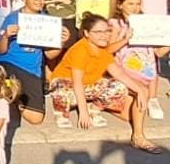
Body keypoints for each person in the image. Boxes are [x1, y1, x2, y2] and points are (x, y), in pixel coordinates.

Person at [49, 15, 160, 153]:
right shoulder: (80, 49)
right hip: (68, 83)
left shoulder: (103, 51)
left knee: (120, 86)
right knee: (62, 91)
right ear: (86, 33)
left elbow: (118, 74)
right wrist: (82, 113)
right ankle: (62, 112)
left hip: (89, 85)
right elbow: (77, 81)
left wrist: (140, 89)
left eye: (107, 31)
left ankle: (95, 107)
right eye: (99, 32)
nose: (105, 35)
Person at [0, 0, 68, 126]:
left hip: (32, 71)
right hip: (11, 64)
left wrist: (61, 42)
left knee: (36, 119)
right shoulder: (12, 18)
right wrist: (6, 36)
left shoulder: (47, 20)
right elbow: (0, 50)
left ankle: (15, 99)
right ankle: (5, 91)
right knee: (6, 78)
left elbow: (49, 54)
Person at [108, 0, 170, 121]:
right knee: (129, 116)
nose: (135, 8)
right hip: (125, 73)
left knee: (140, 109)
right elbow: (108, 50)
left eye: (138, 4)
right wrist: (124, 40)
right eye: (130, 4)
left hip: (146, 71)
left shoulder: (146, 23)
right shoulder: (115, 24)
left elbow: (158, 52)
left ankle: (152, 100)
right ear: (120, 5)